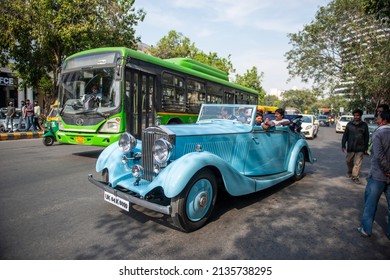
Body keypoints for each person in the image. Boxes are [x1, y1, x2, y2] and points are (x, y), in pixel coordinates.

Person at [357, 109, 390, 239]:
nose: (377, 119)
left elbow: (378, 155)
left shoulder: (378, 133)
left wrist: (387, 170)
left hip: (378, 175)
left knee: (370, 204)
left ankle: (366, 229)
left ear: (383, 120)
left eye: (378, 117)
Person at [341, 109, 369, 184]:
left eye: (358, 115)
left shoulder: (364, 125)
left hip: (360, 147)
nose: (356, 117)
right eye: (355, 115)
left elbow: (366, 137)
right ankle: (350, 171)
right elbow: (345, 135)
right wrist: (343, 145)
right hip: (351, 147)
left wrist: (366, 148)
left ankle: (355, 176)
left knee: (357, 163)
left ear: (360, 116)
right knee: (348, 161)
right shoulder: (349, 124)